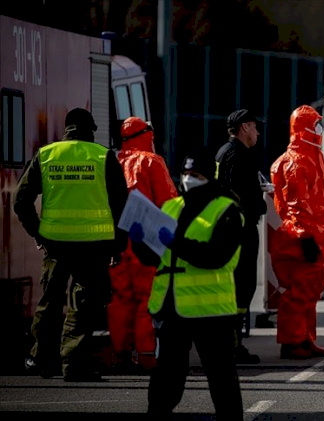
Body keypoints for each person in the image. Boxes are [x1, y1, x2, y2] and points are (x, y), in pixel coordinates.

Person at [13, 108, 129, 381]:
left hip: (55, 243)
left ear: (66, 129)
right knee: (83, 304)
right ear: (91, 129)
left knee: (49, 303)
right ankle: (75, 365)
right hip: (94, 245)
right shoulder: (103, 157)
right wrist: (118, 246)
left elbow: (21, 200)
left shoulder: (47, 155)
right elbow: (122, 205)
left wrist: (38, 233)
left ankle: (42, 360)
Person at [129, 150, 244, 420]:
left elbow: (216, 257)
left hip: (211, 310)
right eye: (185, 174)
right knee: (165, 378)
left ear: (209, 177)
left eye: (196, 175)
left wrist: (176, 241)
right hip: (171, 308)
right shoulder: (171, 206)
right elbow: (153, 257)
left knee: (221, 378)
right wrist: (138, 240)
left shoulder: (227, 209)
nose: (188, 179)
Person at [107, 117, 178, 374]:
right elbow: (169, 204)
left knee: (120, 299)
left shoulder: (112, 161)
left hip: (117, 243)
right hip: (145, 243)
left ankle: (121, 355)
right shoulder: (152, 161)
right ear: (146, 134)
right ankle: (147, 355)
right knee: (147, 299)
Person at [269, 104, 324, 359]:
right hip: (300, 238)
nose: (320, 129)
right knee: (299, 292)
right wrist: (306, 237)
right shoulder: (295, 162)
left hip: (315, 235)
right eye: (316, 124)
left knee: (312, 289)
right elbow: (295, 206)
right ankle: (291, 341)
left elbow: (318, 201)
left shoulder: (312, 156)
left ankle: (305, 338)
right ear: (304, 127)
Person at [214, 109, 266, 365]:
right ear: (245, 127)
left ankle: (231, 342)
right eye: (255, 127)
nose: (258, 133)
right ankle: (231, 344)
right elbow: (234, 192)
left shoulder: (227, 152)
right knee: (241, 286)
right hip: (239, 230)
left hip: (234, 228)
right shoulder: (237, 155)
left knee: (239, 286)